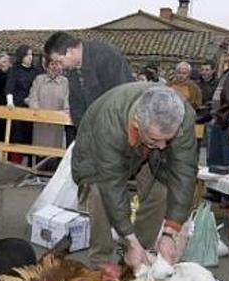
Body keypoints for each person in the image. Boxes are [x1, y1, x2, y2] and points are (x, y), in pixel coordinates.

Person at [72, 83, 197, 270]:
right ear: (138, 123)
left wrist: (170, 233)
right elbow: (112, 184)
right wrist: (128, 235)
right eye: (156, 139)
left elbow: (184, 172)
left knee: (161, 192)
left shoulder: (181, 115)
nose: (163, 146)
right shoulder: (110, 120)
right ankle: (101, 263)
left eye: (168, 140)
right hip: (98, 152)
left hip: (146, 152)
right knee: (99, 193)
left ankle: (137, 254)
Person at [43, 31, 133, 143]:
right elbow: (76, 106)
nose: (60, 67)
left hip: (117, 135)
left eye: (59, 61)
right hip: (91, 137)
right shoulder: (72, 70)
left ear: (69, 52)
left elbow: (123, 99)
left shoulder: (107, 57)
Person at [4, 44, 43, 163]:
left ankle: (31, 165)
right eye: (27, 55)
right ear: (21, 56)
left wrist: (33, 101)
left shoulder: (36, 71)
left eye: (31, 54)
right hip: (17, 106)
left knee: (30, 136)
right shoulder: (14, 70)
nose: (30, 57)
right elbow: (9, 88)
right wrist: (10, 103)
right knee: (17, 136)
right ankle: (15, 164)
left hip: (31, 107)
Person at [27, 56, 69, 150]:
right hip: (40, 123)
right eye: (52, 64)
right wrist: (38, 112)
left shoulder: (65, 82)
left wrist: (65, 111)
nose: (54, 67)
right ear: (46, 66)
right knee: (39, 150)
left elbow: (67, 100)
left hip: (57, 124)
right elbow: (33, 98)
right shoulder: (39, 80)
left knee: (55, 151)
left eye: (57, 64)